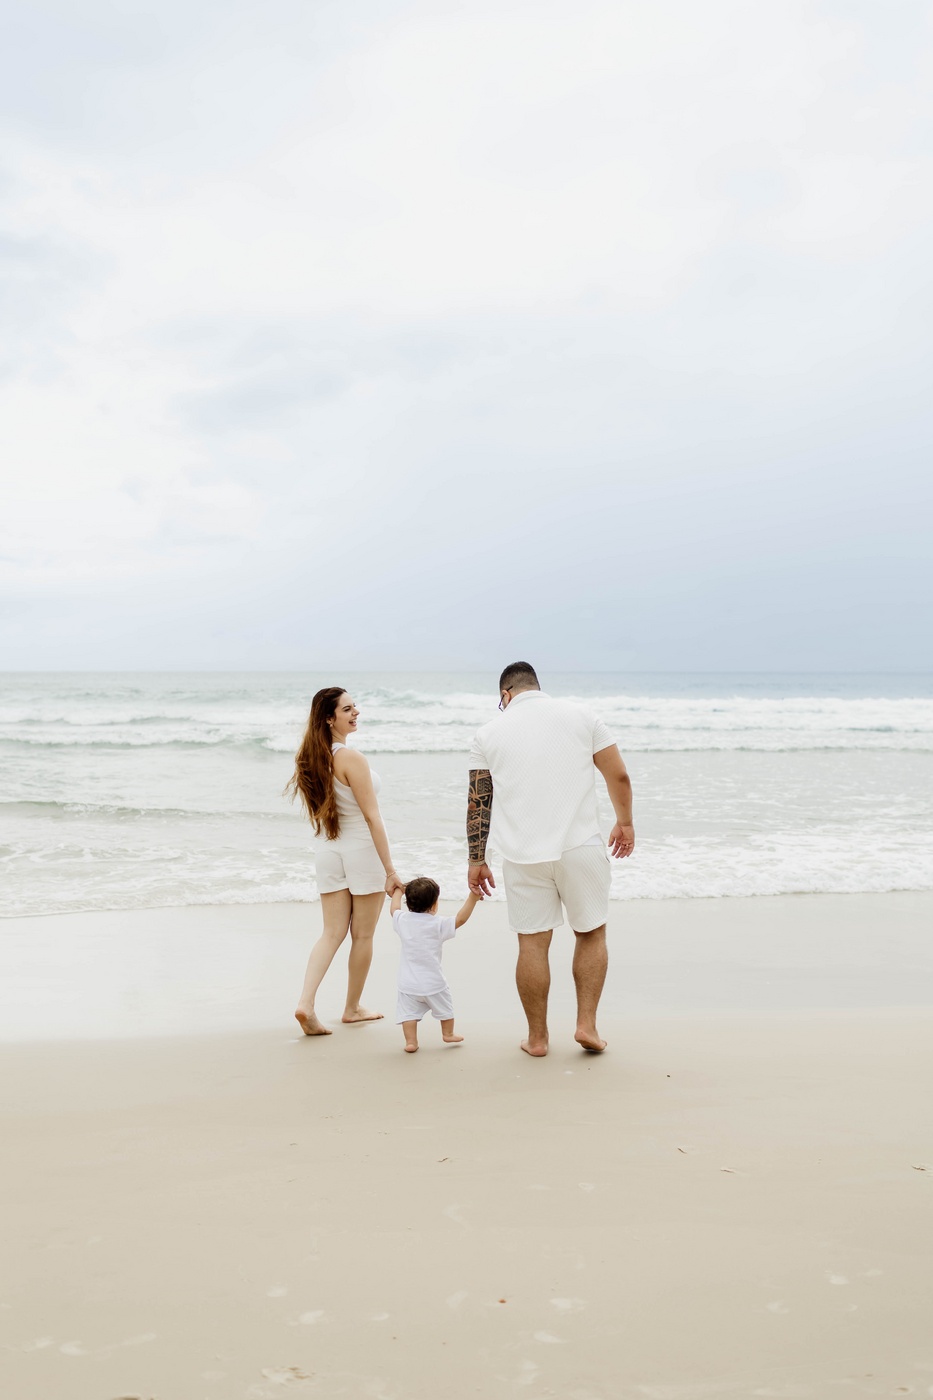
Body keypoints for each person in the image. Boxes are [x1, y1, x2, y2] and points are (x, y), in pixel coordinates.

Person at [466, 662, 634, 1057]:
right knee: (590, 933)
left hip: (522, 854)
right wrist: (625, 822)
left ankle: (538, 1039)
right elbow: (619, 776)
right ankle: (586, 1025)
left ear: (506, 694)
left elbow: (478, 803)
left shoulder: (487, 734)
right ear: (536, 686)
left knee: (532, 943)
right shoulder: (583, 716)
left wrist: (476, 859)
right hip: (580, 846)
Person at [288, 686, 403, 1036]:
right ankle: (352, 1008)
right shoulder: (352, 759)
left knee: (331, 933)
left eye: (356, 707)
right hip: (361, 851)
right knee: (362, 935)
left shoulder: (310, 759)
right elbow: (371, 817)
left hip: (327, 851)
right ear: (329, 718)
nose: (356, 713)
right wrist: (391, 870)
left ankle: (306, 1003)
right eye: (347, 709)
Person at [389, 876, 481, 1053]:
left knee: (408, 1014)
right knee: (445, 1008)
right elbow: (460, 919)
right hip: (433, 983)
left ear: (409, 903)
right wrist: (473, 897)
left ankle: (411, 1042)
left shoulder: (402, 920)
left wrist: (398, 891)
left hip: (408, 984)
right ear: (434, 904)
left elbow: (394, 909)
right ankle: (448, 1033)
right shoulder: (438, 924)